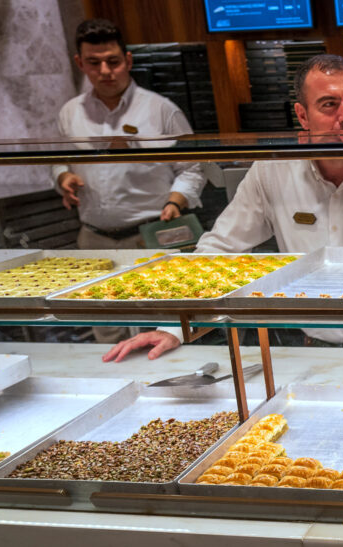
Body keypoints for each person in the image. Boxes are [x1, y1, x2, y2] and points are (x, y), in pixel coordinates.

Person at [102, 54, 343, 370]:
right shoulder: (274, 169)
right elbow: (218, 250)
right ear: (302, 116)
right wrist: (176, 326)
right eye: (329, 105)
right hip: (301, 344)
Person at [53, 19, 206, 343]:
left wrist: (174, 201)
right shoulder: (70, 112)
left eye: (113, 61)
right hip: (93, 240)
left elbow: (193, 167)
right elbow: (57, 159)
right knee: (106, 328)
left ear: (129, 61)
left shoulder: (161, 109)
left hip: (151, 236)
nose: (105, 70)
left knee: (163, 328)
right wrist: (63, 176)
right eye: (94, 63)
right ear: (80, 64)